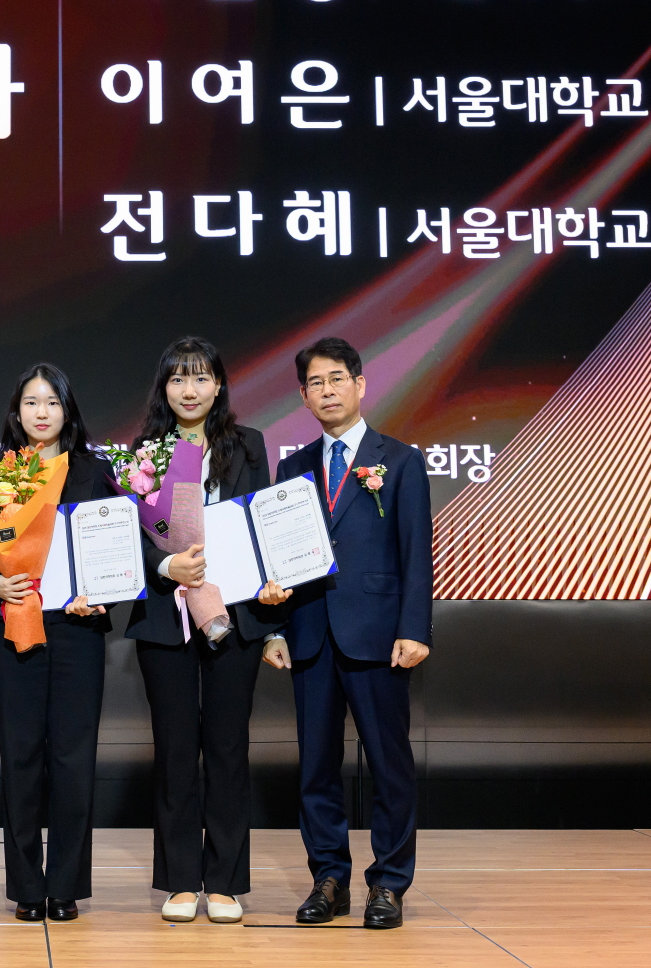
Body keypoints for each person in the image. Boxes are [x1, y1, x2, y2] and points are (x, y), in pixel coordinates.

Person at [263, 336, 433, 930]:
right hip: (309, 634)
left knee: (389, 765)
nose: (327, 390)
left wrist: (415, 628)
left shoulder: (400, 461)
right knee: (316, 767)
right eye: (315, 383)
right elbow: (277, 559)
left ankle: (389, 883)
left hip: (380, 636)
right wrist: (274, 629)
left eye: (337, 378)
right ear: (303, 396)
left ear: (360, 385)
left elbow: (417, 553)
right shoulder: (292, 468)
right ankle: (328, 878)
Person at [122, 336, 289, 924]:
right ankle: (178, 882)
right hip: (166, 616)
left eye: (200, 378)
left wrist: (274, 629)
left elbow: (265, 527)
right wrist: (167, 565)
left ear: (218, 386)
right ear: (163, 388)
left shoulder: (249, 445)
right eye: (177, 379)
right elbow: (130, 535)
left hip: (235, 616)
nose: (189, 390)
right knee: (173, 751)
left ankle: (224, 882)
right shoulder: (144, 452)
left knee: (227, 748)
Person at [0, 363, 120, 923]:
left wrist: (101, 593)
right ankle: (26, 888)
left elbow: (118, 546)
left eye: (52, 402)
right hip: (16, 627)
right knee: (20, 758)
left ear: (68, 411)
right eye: (32, 403)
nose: (42, 412)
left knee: (73, 759)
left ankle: (65, 886)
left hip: (78, 631)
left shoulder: (94, 471)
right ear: (17, 413)